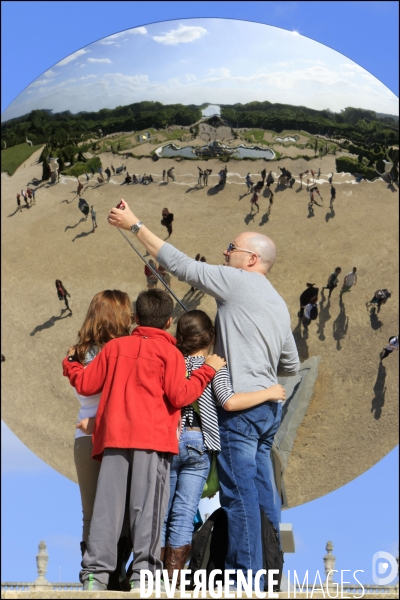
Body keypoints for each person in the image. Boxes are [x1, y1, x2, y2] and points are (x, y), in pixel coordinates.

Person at [107, 199, 300, 591]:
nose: (225, 252)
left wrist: (134, 224)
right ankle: (270, 574)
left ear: (250, 259)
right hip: (268, 411)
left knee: (238, 496)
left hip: (241, 413)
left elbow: (181, 265)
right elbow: (292, 365)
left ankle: (247, 580)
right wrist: (258, 371)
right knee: (265, 497)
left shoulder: (237, 282)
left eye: (231, 248)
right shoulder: (278, 303)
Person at [62, 289, 226, 591]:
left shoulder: (115, 348)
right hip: (153, 441)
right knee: (146, 508)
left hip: (113, 439)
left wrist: (70, 363)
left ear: (136, 318)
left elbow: (85, 384)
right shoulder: (171, 354)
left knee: (106, 509)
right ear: (168, 322)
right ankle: (143, 576)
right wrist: (207, 371)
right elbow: (181, 396)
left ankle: (95, 576)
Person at [161, 310, 286, 583]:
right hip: (199, 443)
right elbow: (229, 402)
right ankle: (173, 577)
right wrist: (269, 392)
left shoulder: (170, 362)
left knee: (163, 511)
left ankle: (151, 573)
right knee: (183, 512)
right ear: (211, 338)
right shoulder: (214, 366)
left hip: (168, 442)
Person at [68, 291, 132, 556]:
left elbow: (85, 392)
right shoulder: (125, 352)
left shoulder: (77, 354)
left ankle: (91, 576)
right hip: (118, 436)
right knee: (126, 515)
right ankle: (116, 574)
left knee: (91, 515)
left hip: (85, 438)